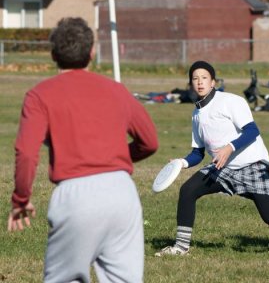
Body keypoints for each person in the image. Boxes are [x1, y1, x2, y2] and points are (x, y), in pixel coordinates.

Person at [8, 17, 158, 282]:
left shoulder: (40, 94)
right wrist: (116, 158)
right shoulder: (116, 90)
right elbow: (150, 142)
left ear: (54, 55)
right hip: (122, 193)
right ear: (91, 53)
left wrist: (21, 199)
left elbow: (27, 152)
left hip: (76, 195)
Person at [155, 60, 269, 256]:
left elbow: (252, 130)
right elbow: (198, 153)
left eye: (204, 78)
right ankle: (181, 247)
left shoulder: (231, 101)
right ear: (191, 83)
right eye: (195, 79)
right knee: (188, 190)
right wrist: (181, 163)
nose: (200, 82)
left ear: (213, 82)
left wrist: (229, 148)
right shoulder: (196, 114)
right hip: (223, 168)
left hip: (253, 165)